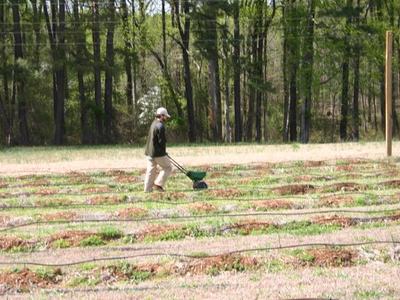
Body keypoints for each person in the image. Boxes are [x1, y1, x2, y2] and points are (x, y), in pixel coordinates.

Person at [144, 107, 173, 192]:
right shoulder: (160, 126)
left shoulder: (153, 123)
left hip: (149, 152)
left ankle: (147, 189)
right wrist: (164, 153)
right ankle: (158, 184)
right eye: (165, 116)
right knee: (168, 167)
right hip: (157, 153)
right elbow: (162, 141)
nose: (166, 118)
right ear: (162, 116)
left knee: (151, 170)